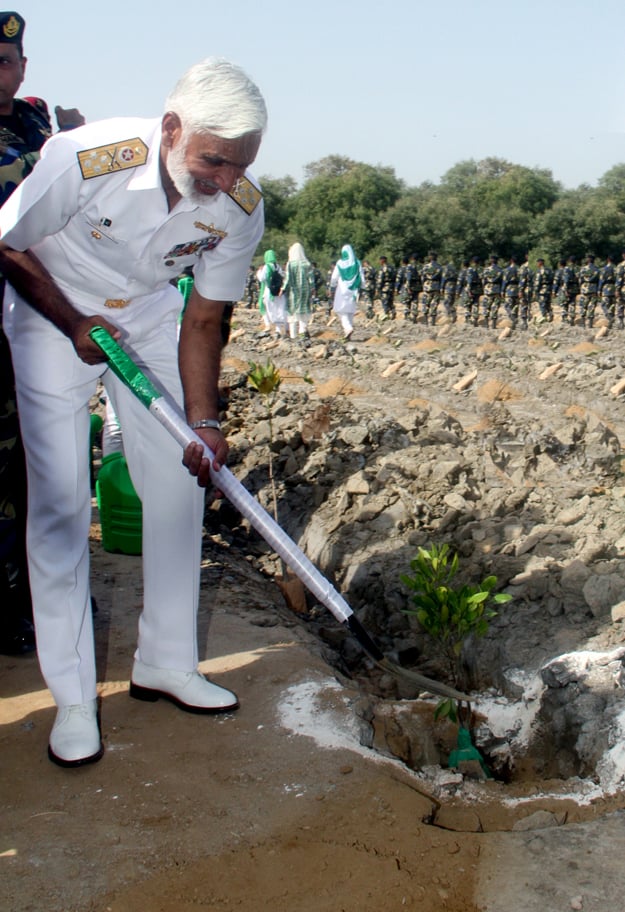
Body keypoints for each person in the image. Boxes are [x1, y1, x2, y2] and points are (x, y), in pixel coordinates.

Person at [0, 57, 267, 767]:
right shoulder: (88, 159)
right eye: (213, 162)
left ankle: (167, 662)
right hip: (53, 311)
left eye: (241, 166)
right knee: (59, 504)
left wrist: (204, 424)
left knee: (181, 484)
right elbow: (7, 241)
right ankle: (75, 700)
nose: (225, 181)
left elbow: (205, 318)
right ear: (172, 129)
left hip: (150, 319)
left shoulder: (239, 204)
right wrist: (70, 321)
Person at [0, 11, 52, 654]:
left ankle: (26, 596)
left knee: (27, 468)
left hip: (32, 321)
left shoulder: (34, 118)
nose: (0, 73)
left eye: (8, 61)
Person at [330, 244, 364, 340]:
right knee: (350, 311)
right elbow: (361, 277)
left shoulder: (340, 263)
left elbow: (334, 277)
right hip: (354, 290)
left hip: (342, 290)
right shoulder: (357, 262)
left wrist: (332, 286)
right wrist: (363, 287)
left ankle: (348, 328)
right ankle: (348, 333)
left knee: (341, 311)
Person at [282, 241, 314, 340]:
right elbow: (311, 279)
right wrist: (313, 289)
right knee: (303, 311)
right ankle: (303, 332)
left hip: (293, 292)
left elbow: (287, 279)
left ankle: (293, 335)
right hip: (305, 291)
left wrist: (282, 289)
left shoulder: (290, 264)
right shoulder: (307, 263)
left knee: (292, 312)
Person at [256, 249, 286, 337]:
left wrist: (259, 272)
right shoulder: (278, 266)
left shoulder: (267, 266)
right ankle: (278, 329)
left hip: (268, 290)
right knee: (277, 309)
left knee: (269, 309)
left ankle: (270, 325)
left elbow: (262, 278)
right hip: (277, 291)